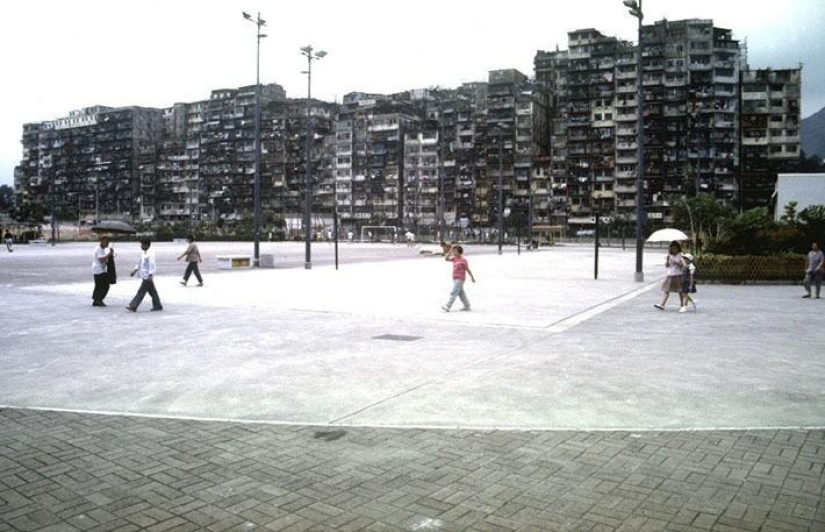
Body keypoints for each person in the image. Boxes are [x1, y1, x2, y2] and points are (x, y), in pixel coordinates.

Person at [126, 239, 163, 312]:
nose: (141, 246)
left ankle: (133, 305)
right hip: (144, 275)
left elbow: (152, 264)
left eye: (142, 244)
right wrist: (135, 270)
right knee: (152, 292)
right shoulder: (144, 253)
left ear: (147, 245)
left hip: (147, 276)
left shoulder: (150, 254)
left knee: (141, 291)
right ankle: (157, 305)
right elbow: (139, 262)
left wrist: (150, 274)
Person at [442, 244, 476, 312]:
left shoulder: (463, 260)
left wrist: (472, 277)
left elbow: (467, 269)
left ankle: (448, 306)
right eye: (453, 251)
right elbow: (446, 259)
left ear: (459, 252)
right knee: (461, 293)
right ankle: (467, 305)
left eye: (455, 251)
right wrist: (450, 252)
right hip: (454, 278)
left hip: (460, 278)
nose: (454, 253)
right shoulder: (454, 258)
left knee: (454, 292)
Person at [654, 240, 684, 310]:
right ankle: (662, 304)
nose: (674, 250)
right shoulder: (669, 255)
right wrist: (667, 261)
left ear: (678, 248)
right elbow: (667, 266)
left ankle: (682, 305)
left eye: (675, 248)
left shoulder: (681, 255)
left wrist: (676, 262)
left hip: (678, 275)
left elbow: (682, 265)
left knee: (680, 291)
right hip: (670, 274)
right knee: (666, 290)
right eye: (672, 248)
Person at [91, 235, 113, 307]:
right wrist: (109, 254)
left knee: (98, 286)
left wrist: (109, 258)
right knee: (105, 285)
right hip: (99, 270)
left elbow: (102, 259)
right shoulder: (99, 249)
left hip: (98, 269)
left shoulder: (101, 249)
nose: (107, 244)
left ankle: (96, 300)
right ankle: (99, 299)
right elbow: (101, 260)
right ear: (102, 241)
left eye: (108, 242)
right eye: (106, 242)